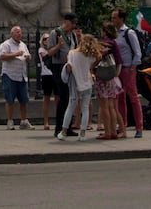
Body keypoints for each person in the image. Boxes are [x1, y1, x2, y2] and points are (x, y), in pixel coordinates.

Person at [58, 34, 102, 140]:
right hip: (87, 83)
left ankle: (63, 132)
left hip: (75, 83)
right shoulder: (91, 56)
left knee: (71, 106)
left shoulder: (72, 53)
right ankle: (82, 134)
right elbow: (94, 64)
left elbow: (69, 68)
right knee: (85, 108)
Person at [110, 8, 144, 138]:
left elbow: (137, 52)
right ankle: (122, 125)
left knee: (133, 97)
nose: (113, 20)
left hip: (128, 68)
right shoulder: (114, 33)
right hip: (117, 68)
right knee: (119, 97)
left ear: (121, 19)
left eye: (114, 18)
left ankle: (139, 126)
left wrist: (133, 66)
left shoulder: (128, 33)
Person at [46, 13, 80, 137]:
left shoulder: (73, 35)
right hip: (59, 67)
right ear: (67, 22)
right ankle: (59, 127)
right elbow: (50, 52)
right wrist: (59, 46)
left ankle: (68, 126)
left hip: (71, 67)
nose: (75, 26)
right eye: (73, 23)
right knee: (63, 96)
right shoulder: (56, 33)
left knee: (70, 97)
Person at [0, 25, 34, 129]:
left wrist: (28, 57)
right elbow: (2, 56)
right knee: (10, 99)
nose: (19, 34)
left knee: (24, 99)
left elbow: (27, 55)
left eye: (20, 32)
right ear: (12, 33)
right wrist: (15, 54)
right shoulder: (6, 44)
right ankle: (10, 121)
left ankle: (24, 121)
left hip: (22, 75)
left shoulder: (23, 44)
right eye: (17, 32)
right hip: (10, 74)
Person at [95, 22, 124, 139]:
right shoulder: (115, 43)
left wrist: (92, 67)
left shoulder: (107, 43)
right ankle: (113, 131)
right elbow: (119, 60)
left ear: (105, 31)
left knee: (104, 105)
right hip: (112, 76)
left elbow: (99, 57)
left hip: (103, 76)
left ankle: (107, 132)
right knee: (112, 106)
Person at [37, 35, 57, 128]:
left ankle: (59, 119)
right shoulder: (41, 50)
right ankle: (46, 122)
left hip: (55, 74)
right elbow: (46, 57)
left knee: (58, 98)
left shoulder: (54, 49)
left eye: (49, 38)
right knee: (46, 99)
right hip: (46, 75)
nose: (47, 40)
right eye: (45, 39)